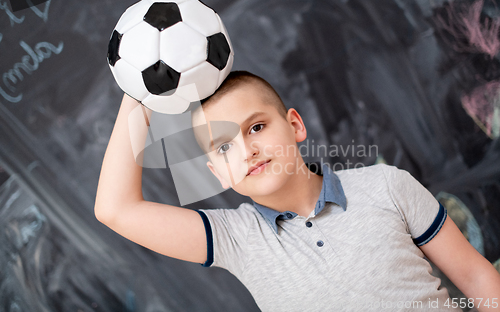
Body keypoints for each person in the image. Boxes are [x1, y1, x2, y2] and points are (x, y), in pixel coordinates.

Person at [95, 71, 500, 311]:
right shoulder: (236, 239)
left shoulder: (387, 185)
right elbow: (115, 209)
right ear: (217, 172)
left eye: (256, 127)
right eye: (223, 146)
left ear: (294, 126)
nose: (248, 149)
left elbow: (478, 278)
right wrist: (140, 93)